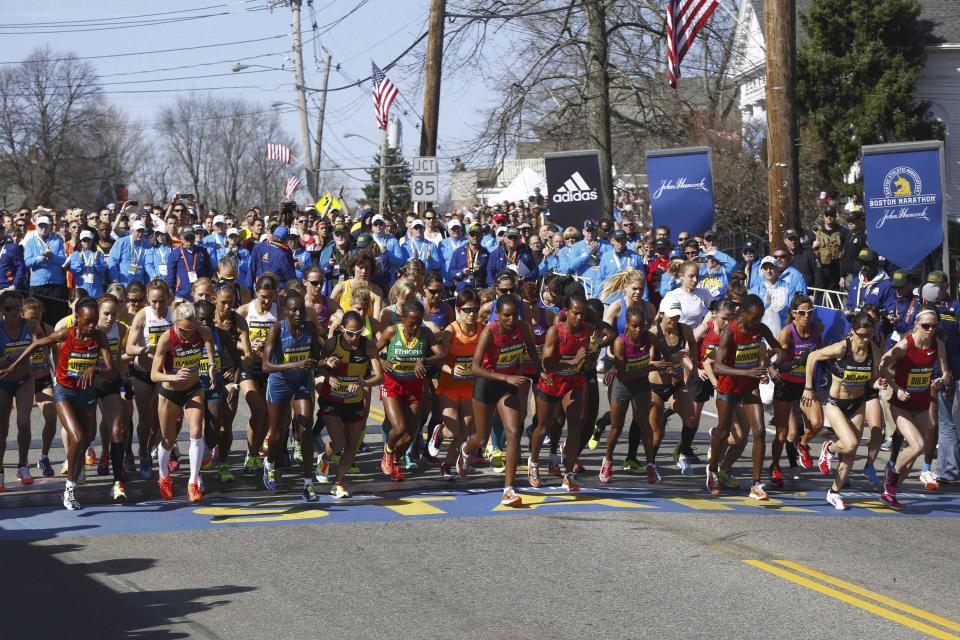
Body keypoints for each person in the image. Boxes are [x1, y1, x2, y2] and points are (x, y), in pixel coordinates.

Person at [1, 297, 115, 510]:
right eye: (87, 321)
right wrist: (13, 365)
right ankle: (70, 490)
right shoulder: (66, 334)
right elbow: (36, 344)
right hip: (65, 392)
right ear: (77, 319)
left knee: (86, 439)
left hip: (86, 393)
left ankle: (74, 466)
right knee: (78, 437)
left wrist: (96, 369)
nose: (91, 326)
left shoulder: (100, 337)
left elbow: (110, 369)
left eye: (94, 321)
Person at [459, 293, 539, 507]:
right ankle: (466, 450)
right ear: (498, 315)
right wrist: (505, 376)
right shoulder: (489, 331)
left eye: (514, 315)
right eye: (507, 316)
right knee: (481, 438)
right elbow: (474, 367)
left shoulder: (521, 326)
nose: (511, 320)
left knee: (513, 433)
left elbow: (530, 348)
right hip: (487, 384)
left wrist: (541, 370)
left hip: (508, 386)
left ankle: (508, 489)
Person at [706, 294, 787, 500]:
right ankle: (713, 471)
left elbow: (779, 348)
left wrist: (771, 361)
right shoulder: (730, 332)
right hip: (729, 386)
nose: (757, 322)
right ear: (743, 314)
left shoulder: (760, 328)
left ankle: (756, 483)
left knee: (759, 433)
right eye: (753, 317)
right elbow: (718, 365)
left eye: (760, 317)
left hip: (750, 387)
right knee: (723, 432)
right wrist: (746, 372)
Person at [801, 311, 884, 509]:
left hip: (857, 404)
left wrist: (879, 382)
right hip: (836, 403)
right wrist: (808, 387)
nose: (865, 340)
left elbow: (872, 380)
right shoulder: (841, 348)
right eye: (862, 335)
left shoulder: (874, 351)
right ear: (853, 331)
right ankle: (828, 448)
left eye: (869, 335)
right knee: (850, 443)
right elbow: (812, 357)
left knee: (850, 451)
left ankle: (834, 492)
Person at [879, 307, 952, 509]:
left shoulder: (938, 345)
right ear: (916, 325)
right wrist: (896, 387)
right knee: (918, 445)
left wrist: (941, 381)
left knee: (913, 454)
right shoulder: (905, 345)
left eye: (934, 326)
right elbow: (883, 367)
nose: (930, 330)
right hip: (901, 403)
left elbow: (946, 373)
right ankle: (891, 477)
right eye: (926, 326)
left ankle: (890, 492)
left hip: (921, 403)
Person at [151, 301, 216, 502]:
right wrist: (172, 377)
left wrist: (211, 366)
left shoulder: (203, 332)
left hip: (193, 388)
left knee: (197, 432)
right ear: (175, 324)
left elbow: (209, 344)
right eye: (183, 331)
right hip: (170, 392)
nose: (187, 336)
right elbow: (154, 375)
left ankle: (193, 482)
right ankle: (164, 477)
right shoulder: (166, 338)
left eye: (191, 330)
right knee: (168, 440)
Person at [528, 293, 591, 491]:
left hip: (573, 382)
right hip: (552, 382)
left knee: (575, 425)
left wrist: (587, 359)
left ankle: (569, 474)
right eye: (575, 313)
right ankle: (534, 463)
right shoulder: (555, 332)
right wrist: (572, 361)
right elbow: (546, 363)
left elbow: (584, 359)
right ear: (566, 312)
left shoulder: (586, 331)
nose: (579, 318)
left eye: (582, 313)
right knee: (543, 426)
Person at [376, 300, 444, 481]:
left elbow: (441, 354)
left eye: (419, 321)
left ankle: (396, 462)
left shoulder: (425, 333)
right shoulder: (392, 331)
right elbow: (372, 352)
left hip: (414, 385)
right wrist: (381, 361)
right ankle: (388, 452)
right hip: (392, 384)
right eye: (411, 322)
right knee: (399, 428)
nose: (415, 326)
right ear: (402, 318)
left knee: (408, 436)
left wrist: (424, 360)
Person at [317, 310, 383, 496]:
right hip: (331, 400)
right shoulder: (332, 344)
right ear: (342, 329)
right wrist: (328, 376)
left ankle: (338, 483)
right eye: (350, 333)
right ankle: (324, 458)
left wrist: (362, 383)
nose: (354, 337)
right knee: (339, 443)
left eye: (358, 332)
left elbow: (379, 377)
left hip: (354, 401)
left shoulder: (368, 347)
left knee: (352, 447)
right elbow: (318, 366)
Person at [261, 292, 320, 498]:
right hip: (279, 384)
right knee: (277, 435)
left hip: (302, 383)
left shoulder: (310, 328)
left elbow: (316, 358)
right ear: (285, 312)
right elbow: (266, 365)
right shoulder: (277, 329)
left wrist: (325, 363)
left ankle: (307, 483)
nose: (298, 314)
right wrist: (295, 364)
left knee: (305, 428)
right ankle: (269, 464)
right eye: (293, 310)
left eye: (301, 309)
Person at [769, 294, 822, 486]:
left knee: (817, 424)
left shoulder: (817, 328)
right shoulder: (787, 333)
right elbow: (779, 365)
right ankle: (775, 466)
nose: (806, 316)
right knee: (784, 433)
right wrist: (799, 361)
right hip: (786, 384)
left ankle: (802, 445)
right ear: (794, 314)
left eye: (810, 312)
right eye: (802, 313)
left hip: (806, 384)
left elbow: (821, 352)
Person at [599, 305, 654, 484]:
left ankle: (650, 465)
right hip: (623, 384)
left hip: (642, 384)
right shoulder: (620, 342)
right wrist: (649, 367)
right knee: (617, 426)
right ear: (627, 326)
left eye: (642, 326)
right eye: (634, 326)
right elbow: (623, 375)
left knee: (645, 424)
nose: (638, 330)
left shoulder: (649, 337)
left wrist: (672, 362)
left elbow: (667, 352)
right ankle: (607, 461)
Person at [125, 279, 174, 478]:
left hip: (164, 374)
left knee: (164, 420)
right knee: (146, 421)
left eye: (161, 301)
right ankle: (144, 454)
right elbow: (129, 347)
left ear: (168, 299)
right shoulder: (142, 315)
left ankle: (162, 453)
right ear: (148, 300)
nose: (157, 306)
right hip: (143, 373)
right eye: (153, 301)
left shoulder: (173, 313)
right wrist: (145, 350)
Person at [646, 297, 699, 479]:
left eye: (676, 317)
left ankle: (683, 454)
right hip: (655, 386)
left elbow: (693, 343)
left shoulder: (684, 330)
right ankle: (651, 463)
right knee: (657, 433)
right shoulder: (654, 333)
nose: (673, 321)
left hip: (676, 384)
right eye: (670, 317)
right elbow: (649, 362)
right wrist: (671, 359)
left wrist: (695, 367)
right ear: (661, 314)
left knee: (691, 419)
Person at [237, 274, 279, 474]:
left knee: (268, 416)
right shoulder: (245, 310)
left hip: (270, 367)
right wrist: (246, 347)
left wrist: (270, 346)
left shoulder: (280, 311)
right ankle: (250, 453)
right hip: (250, 367)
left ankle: (256, 451)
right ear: (256, 293)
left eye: (271, 297)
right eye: (263, 297)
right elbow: (228, 339)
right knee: (258, 411)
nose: (267, 301)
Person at [0, 291, 41, 490]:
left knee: (24, 423)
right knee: (2, 429)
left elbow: (42, 343)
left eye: (18, 308)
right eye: (10, 309)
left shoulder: (31, 325)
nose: (15, 312)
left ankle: (23, 465)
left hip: (25, 380)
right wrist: (10, 359)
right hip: (3, 382)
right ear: (2, 310)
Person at [21, 297, 57, 478]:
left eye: (37, 317)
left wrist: (58, 376)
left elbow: (56, 355)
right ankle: (23, 462)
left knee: (51, 416)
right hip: (22, 381)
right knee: (23, 422)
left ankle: (44, 456)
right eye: (30, 318)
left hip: (42, 379)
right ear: (22, 316)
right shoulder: (17, 332)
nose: (34, 321)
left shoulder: (47, 330)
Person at [23, 214, 69, 324]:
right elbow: (27, 262)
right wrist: (42, 258)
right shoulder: (30, 242)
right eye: (41, 226)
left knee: (57, 317)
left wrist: (51, 256)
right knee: (38, 316)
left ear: (50, 227)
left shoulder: (56, 241)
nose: (43, 228)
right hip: (38, 285)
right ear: (36, 227)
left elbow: (63, 261)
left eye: (46, 226)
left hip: (56, 285)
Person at [165, 226, 214, 300]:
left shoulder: (202, 251)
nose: (189, 241)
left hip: (200, 295)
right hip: (182, 295)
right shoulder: (174, 254)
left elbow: (208, 273)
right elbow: (171, 277)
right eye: (186, 238)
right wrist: (170, 295)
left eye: (191, 238)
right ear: (181, 238)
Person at [663, 260, 712, 328]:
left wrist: (702, 327)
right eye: (691, 276)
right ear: (681, 276)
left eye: (697, 276)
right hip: (679, 336)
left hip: (697, 335)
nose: (695, 280)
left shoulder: (704, 293)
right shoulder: (672, 295)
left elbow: (717, 310)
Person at [844, 248, 894, 316]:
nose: (863, 268)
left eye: (867, 264)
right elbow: (849, 306)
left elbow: (890, 312)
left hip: (875, 325)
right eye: (861, 263)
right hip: (856, 325)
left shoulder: (887, 285)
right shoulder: (855, 282)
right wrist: (848, 312)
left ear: (876, 263)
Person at [66, 230, 108, 298]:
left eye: (88, 240)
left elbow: (102, 271)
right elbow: (73, 271)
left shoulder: (98, 253)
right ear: (81, 242)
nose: (86, 242)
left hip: (96, 292)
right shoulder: (75, 254)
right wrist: (80, 260)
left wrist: (96, 261)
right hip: (81, 291)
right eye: (84, 240)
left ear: (92, 241)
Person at [813, 204, 846, 289]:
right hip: (821, 269)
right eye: (827, 215)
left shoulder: (842, 231)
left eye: (831, 215)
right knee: (821, 294)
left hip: (836, 269)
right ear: (824, 216)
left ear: (835, 216)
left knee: (834, 295)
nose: (829, 217)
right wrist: (813, 247)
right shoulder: (816, 232)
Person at [108, 221, 151, 285]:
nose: (140, 233)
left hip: (139, 285)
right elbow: (113, 261)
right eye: (138, 231)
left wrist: (147, 283)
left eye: (142, 231)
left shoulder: (147, 245)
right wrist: (115, 279)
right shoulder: (121, 242)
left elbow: (148, 265)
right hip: (123, 283)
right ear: (132, 230)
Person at [449, 224, 489, 291]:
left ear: (482, 236)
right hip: (463, 289)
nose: (475, 237)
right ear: (468, 236)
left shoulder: (486, 253)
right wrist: (462, 271)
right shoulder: (458, 252)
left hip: (480, 289)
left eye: (478, 235)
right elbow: (451, 272)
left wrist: (480, 269)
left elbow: (489, 272)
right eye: (472, 234)